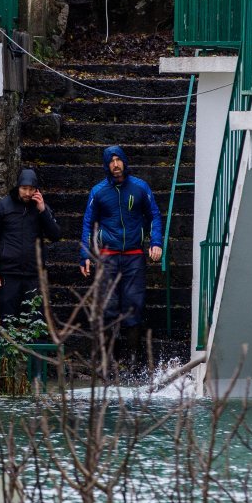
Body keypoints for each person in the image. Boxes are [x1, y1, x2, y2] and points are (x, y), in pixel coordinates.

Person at [80, 145, 162, 364]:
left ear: (125, 161)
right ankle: (108, 363)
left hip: (134, 256)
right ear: (106, 165)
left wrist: (156, 242)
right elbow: (88, 223)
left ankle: (133, 363)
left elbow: (154, 214)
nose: (115, 165)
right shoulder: (98, 192)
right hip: (108, 257)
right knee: (107, 308)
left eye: (118, 160)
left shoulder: (140, 187)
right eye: (111, 161)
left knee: (134, 307)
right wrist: (85, 255)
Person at [0, 168, 62, 322]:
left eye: (31, 189)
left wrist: (43, 211)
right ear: (18, 187)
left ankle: (34, 347)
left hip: (33, 274)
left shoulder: (41, 207)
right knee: (8, 320)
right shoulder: (3, 206)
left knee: (37, 321)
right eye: (24, 189)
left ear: (36, 190)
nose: (27, 193)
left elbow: (55, 236)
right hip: (8, 273)